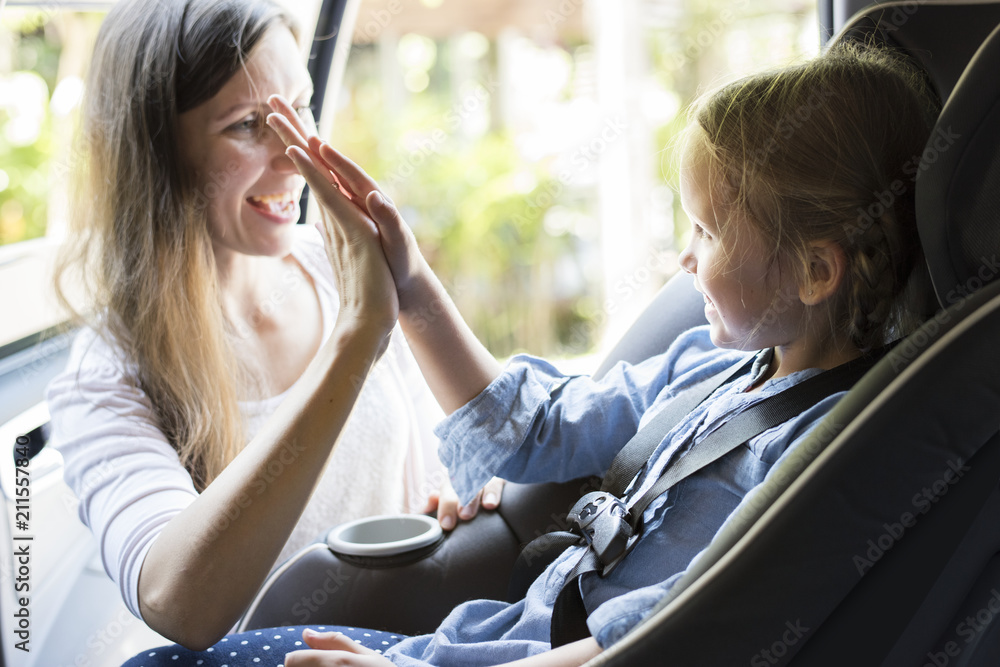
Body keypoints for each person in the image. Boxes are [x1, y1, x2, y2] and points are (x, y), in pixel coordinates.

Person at [122, 37, 939, 667]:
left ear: (815, 270)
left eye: (708, 231)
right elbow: (540, 427)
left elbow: (656, 642)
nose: (685, 259)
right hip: (482, 636)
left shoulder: (822, 456)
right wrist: (408, 283)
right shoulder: (708, 366)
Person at [45, 0, 503, 651]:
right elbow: (178, 600)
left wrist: (462, 499)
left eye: (300, 108)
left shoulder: (342, 267)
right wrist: (355, 338)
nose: (297, 157)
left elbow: (436, 480)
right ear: (158, 154)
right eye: (247, 125)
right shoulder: (107, 378)